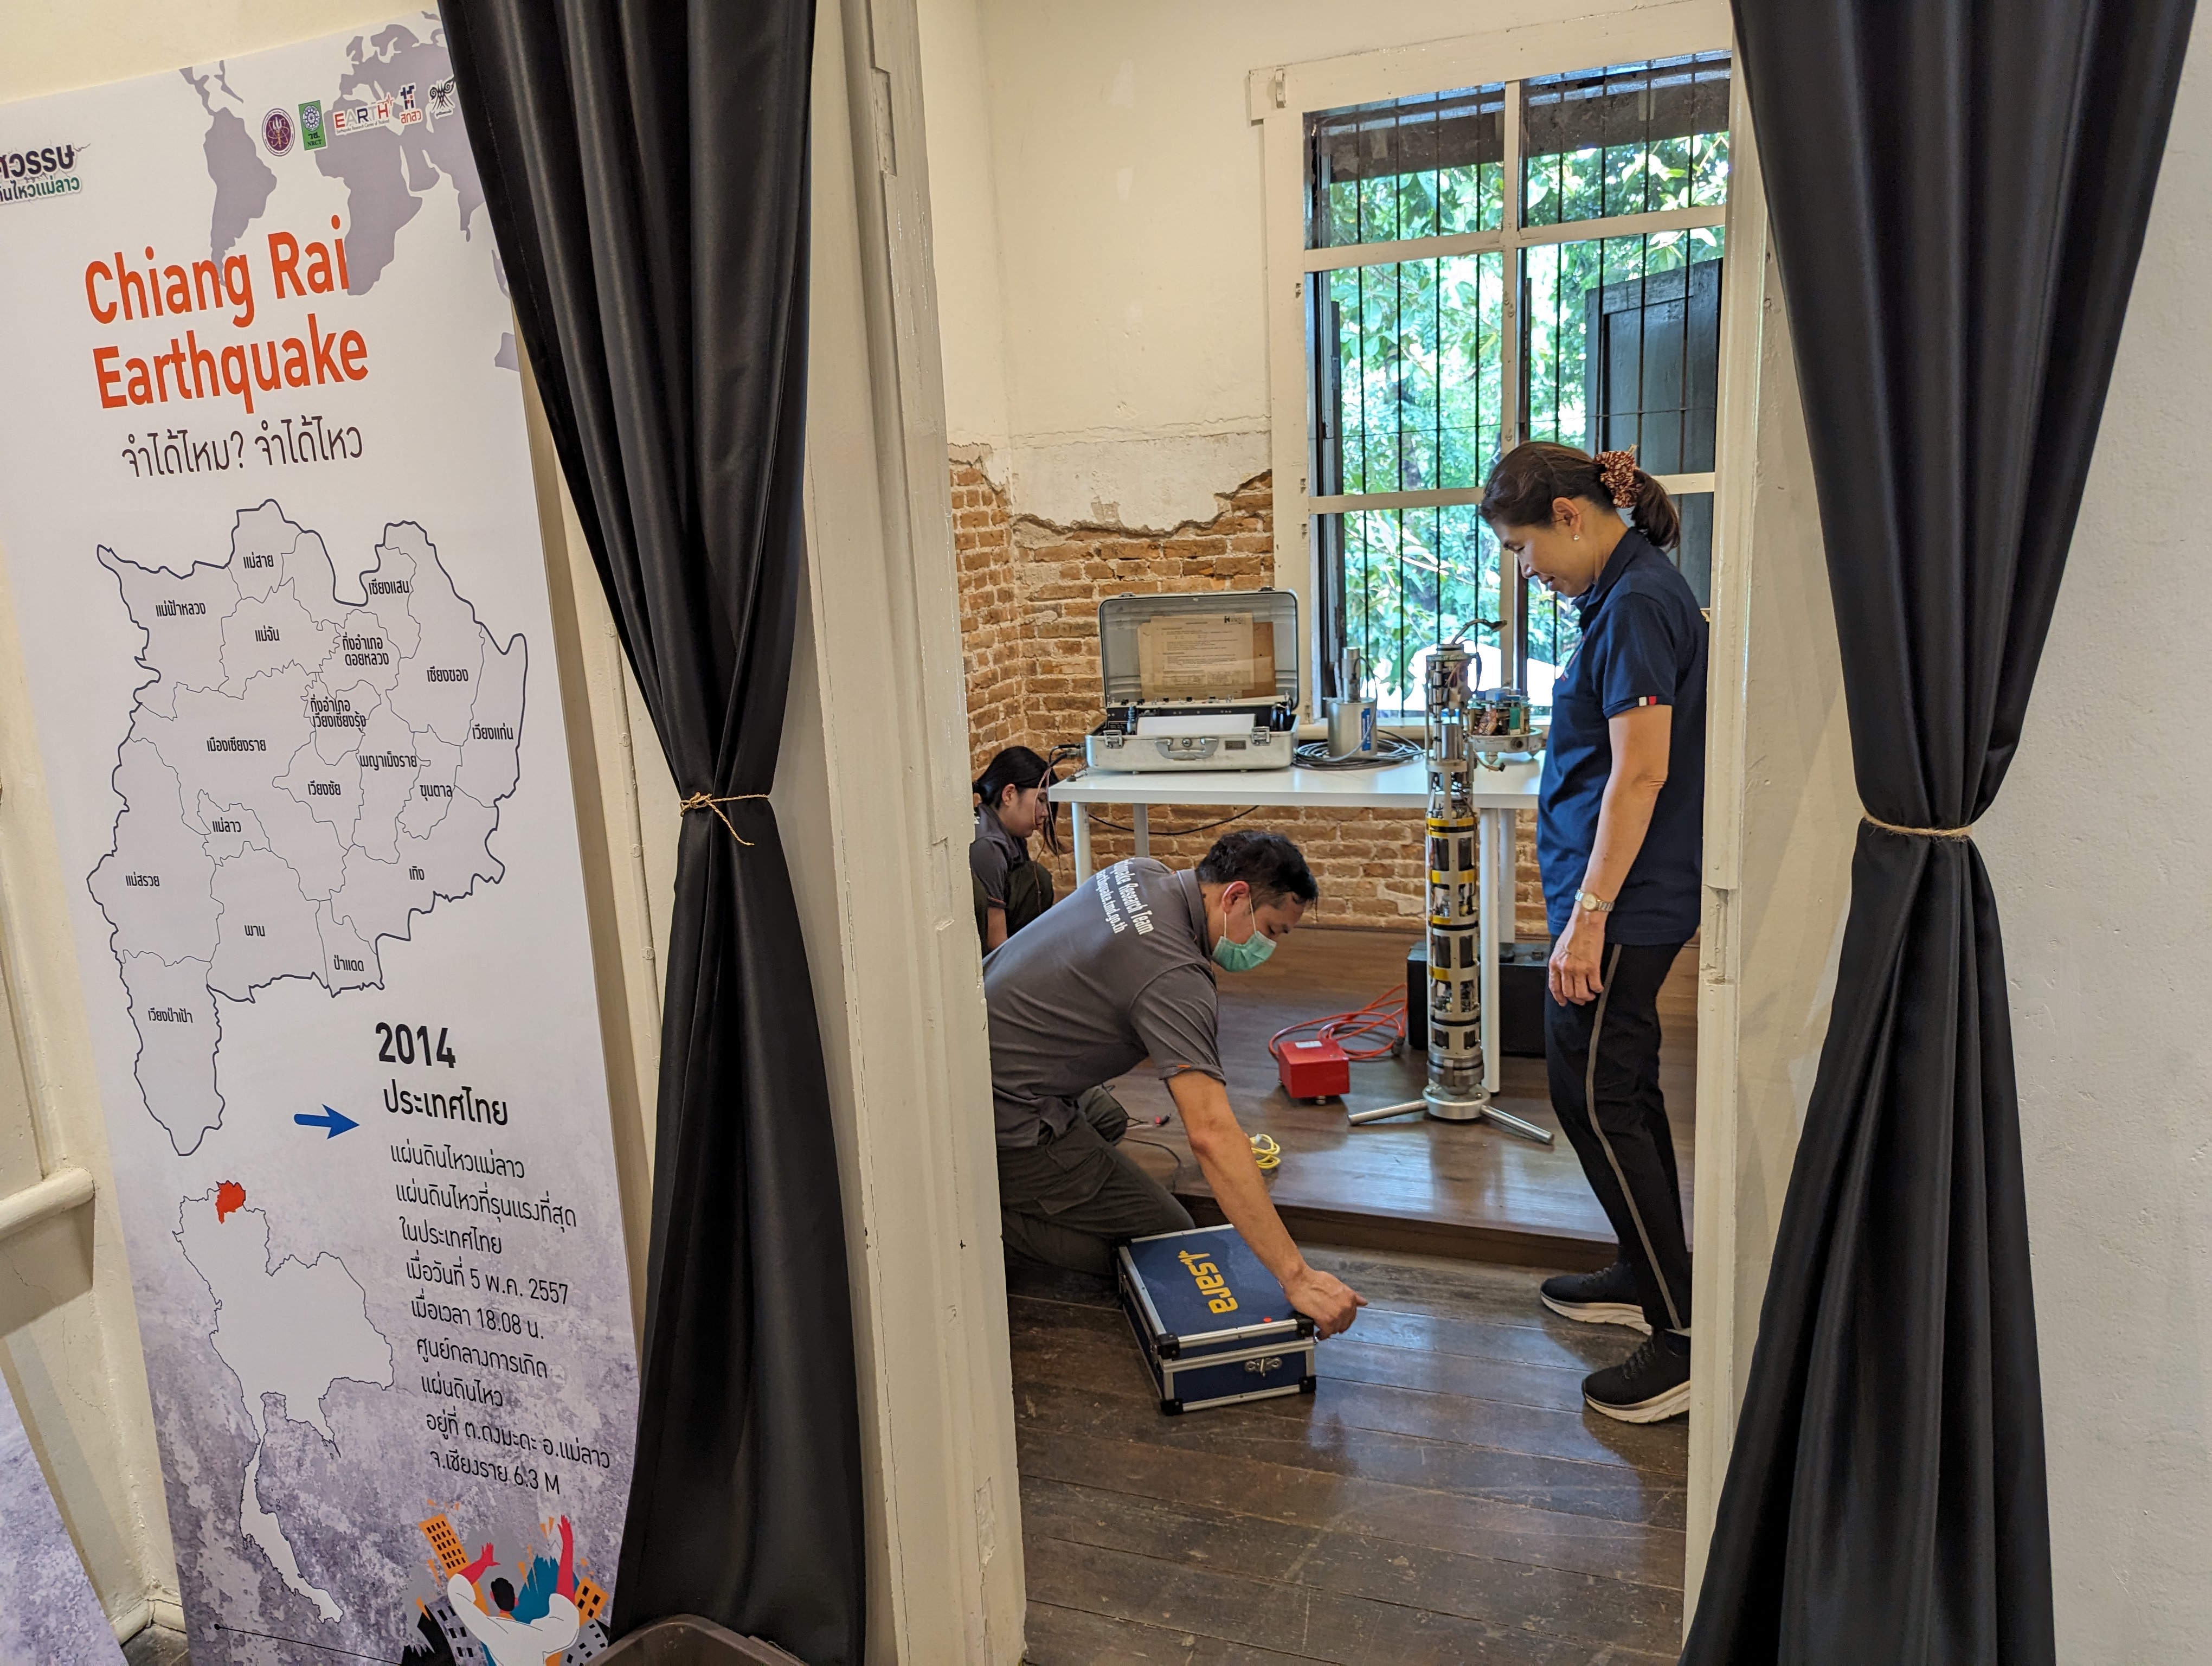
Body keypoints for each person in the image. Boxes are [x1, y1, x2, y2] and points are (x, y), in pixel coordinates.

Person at [1481, 441, 1706, 1424]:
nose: (1526, 569)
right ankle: (1643, 1269)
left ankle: (1683, 1337)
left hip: (1625, 906)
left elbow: (1642, 774)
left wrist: (1588, 919)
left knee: (1596, 1098)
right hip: (1615, 900)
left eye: (1523, 548)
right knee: (1617, 1091)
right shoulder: (1621, 596)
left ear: (1570, 516)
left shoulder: (1640, 602)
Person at [984, 829, 1365, 1337]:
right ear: (1235, 896)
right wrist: (1295, 1276)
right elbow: (1210, 1134)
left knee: (1108, 1118)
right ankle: (981, 1221)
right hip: (1007, 1114)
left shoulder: (1140, 873)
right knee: (1167, 1240)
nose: (1267, 948)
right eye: (1272, 931)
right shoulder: (1174, 976)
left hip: (974, 1053)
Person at [447, 1516, 581, 1663]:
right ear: (516, 1601)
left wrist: (482, 1563)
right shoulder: (536, 1637)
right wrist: (568, 1546)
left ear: (492, 1597)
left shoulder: (492, 1632)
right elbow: (565, 1610)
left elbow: (456, 1592)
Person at [971, 745, 1059, 952]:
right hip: (990, 957)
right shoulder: (989, 847)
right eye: (1041, 800)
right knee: (1037, 880)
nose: (1045, 813)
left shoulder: (1008, 831)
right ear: (1009, 795)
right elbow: (996, 945)